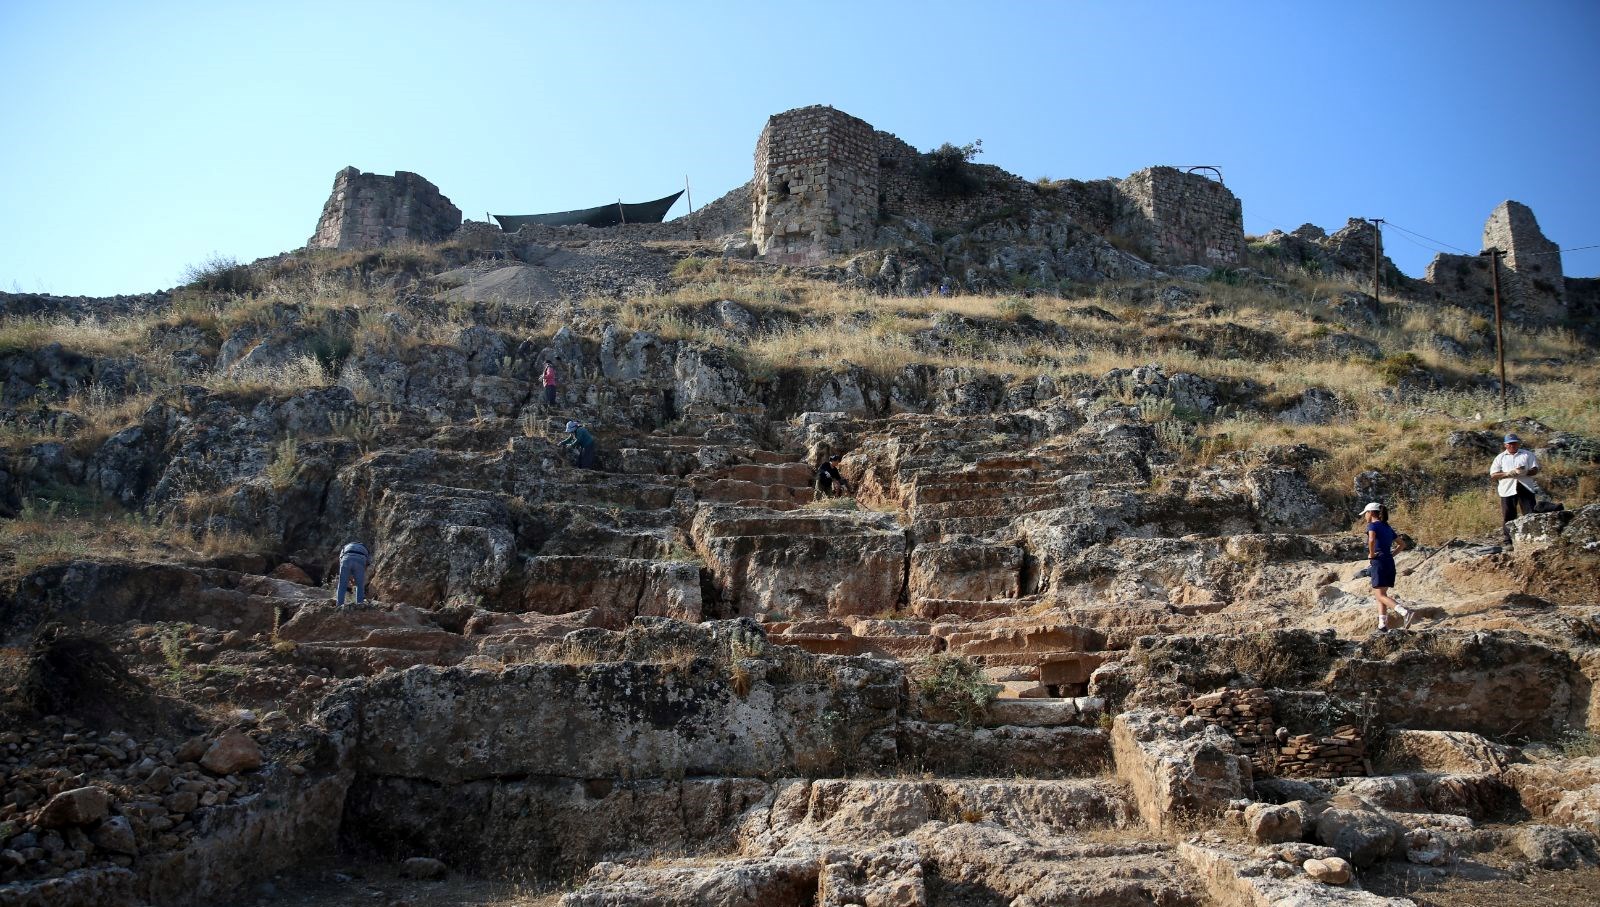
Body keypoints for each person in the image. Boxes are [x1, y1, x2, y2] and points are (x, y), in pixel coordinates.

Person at [1362, 503, 1413, 632]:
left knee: (1380, 595)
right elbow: (1402, 544)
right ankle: (1382, 625)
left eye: (1365, 514)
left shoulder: (1372, 525)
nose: (1365, 517)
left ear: (1371, 513)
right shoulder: (1387, 527)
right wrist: (1390, 555)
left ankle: (1404, 612)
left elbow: (1371, 540)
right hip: (1389, 561)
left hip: (1379, 562)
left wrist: (1372, 554)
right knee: (1381, 594)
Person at [1490, 433, 1540, 545]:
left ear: (1518, 443)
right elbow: (1493, 475)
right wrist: (1508, 473)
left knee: (1530, 513)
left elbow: (1535, 469)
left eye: (1515, 443)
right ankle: (1508, 541)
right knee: (1508, 515)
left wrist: (1526, 472)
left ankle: (1533, 538)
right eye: (1510, 444)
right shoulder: (1500, 458)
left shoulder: (1527, 455)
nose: (1513, 445)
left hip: (1525, 487)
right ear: (1505, 445)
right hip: (1507, 489)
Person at [336, 540, 370, 610]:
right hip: (361, 559)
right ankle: (360, 606)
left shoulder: (345, 547)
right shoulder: (365, 548)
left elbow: (341, 560)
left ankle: (339, 606)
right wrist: (357, 579)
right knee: (360, 586)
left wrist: (349, 577)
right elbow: (367, 564)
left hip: (346, 557)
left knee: (342, 585)